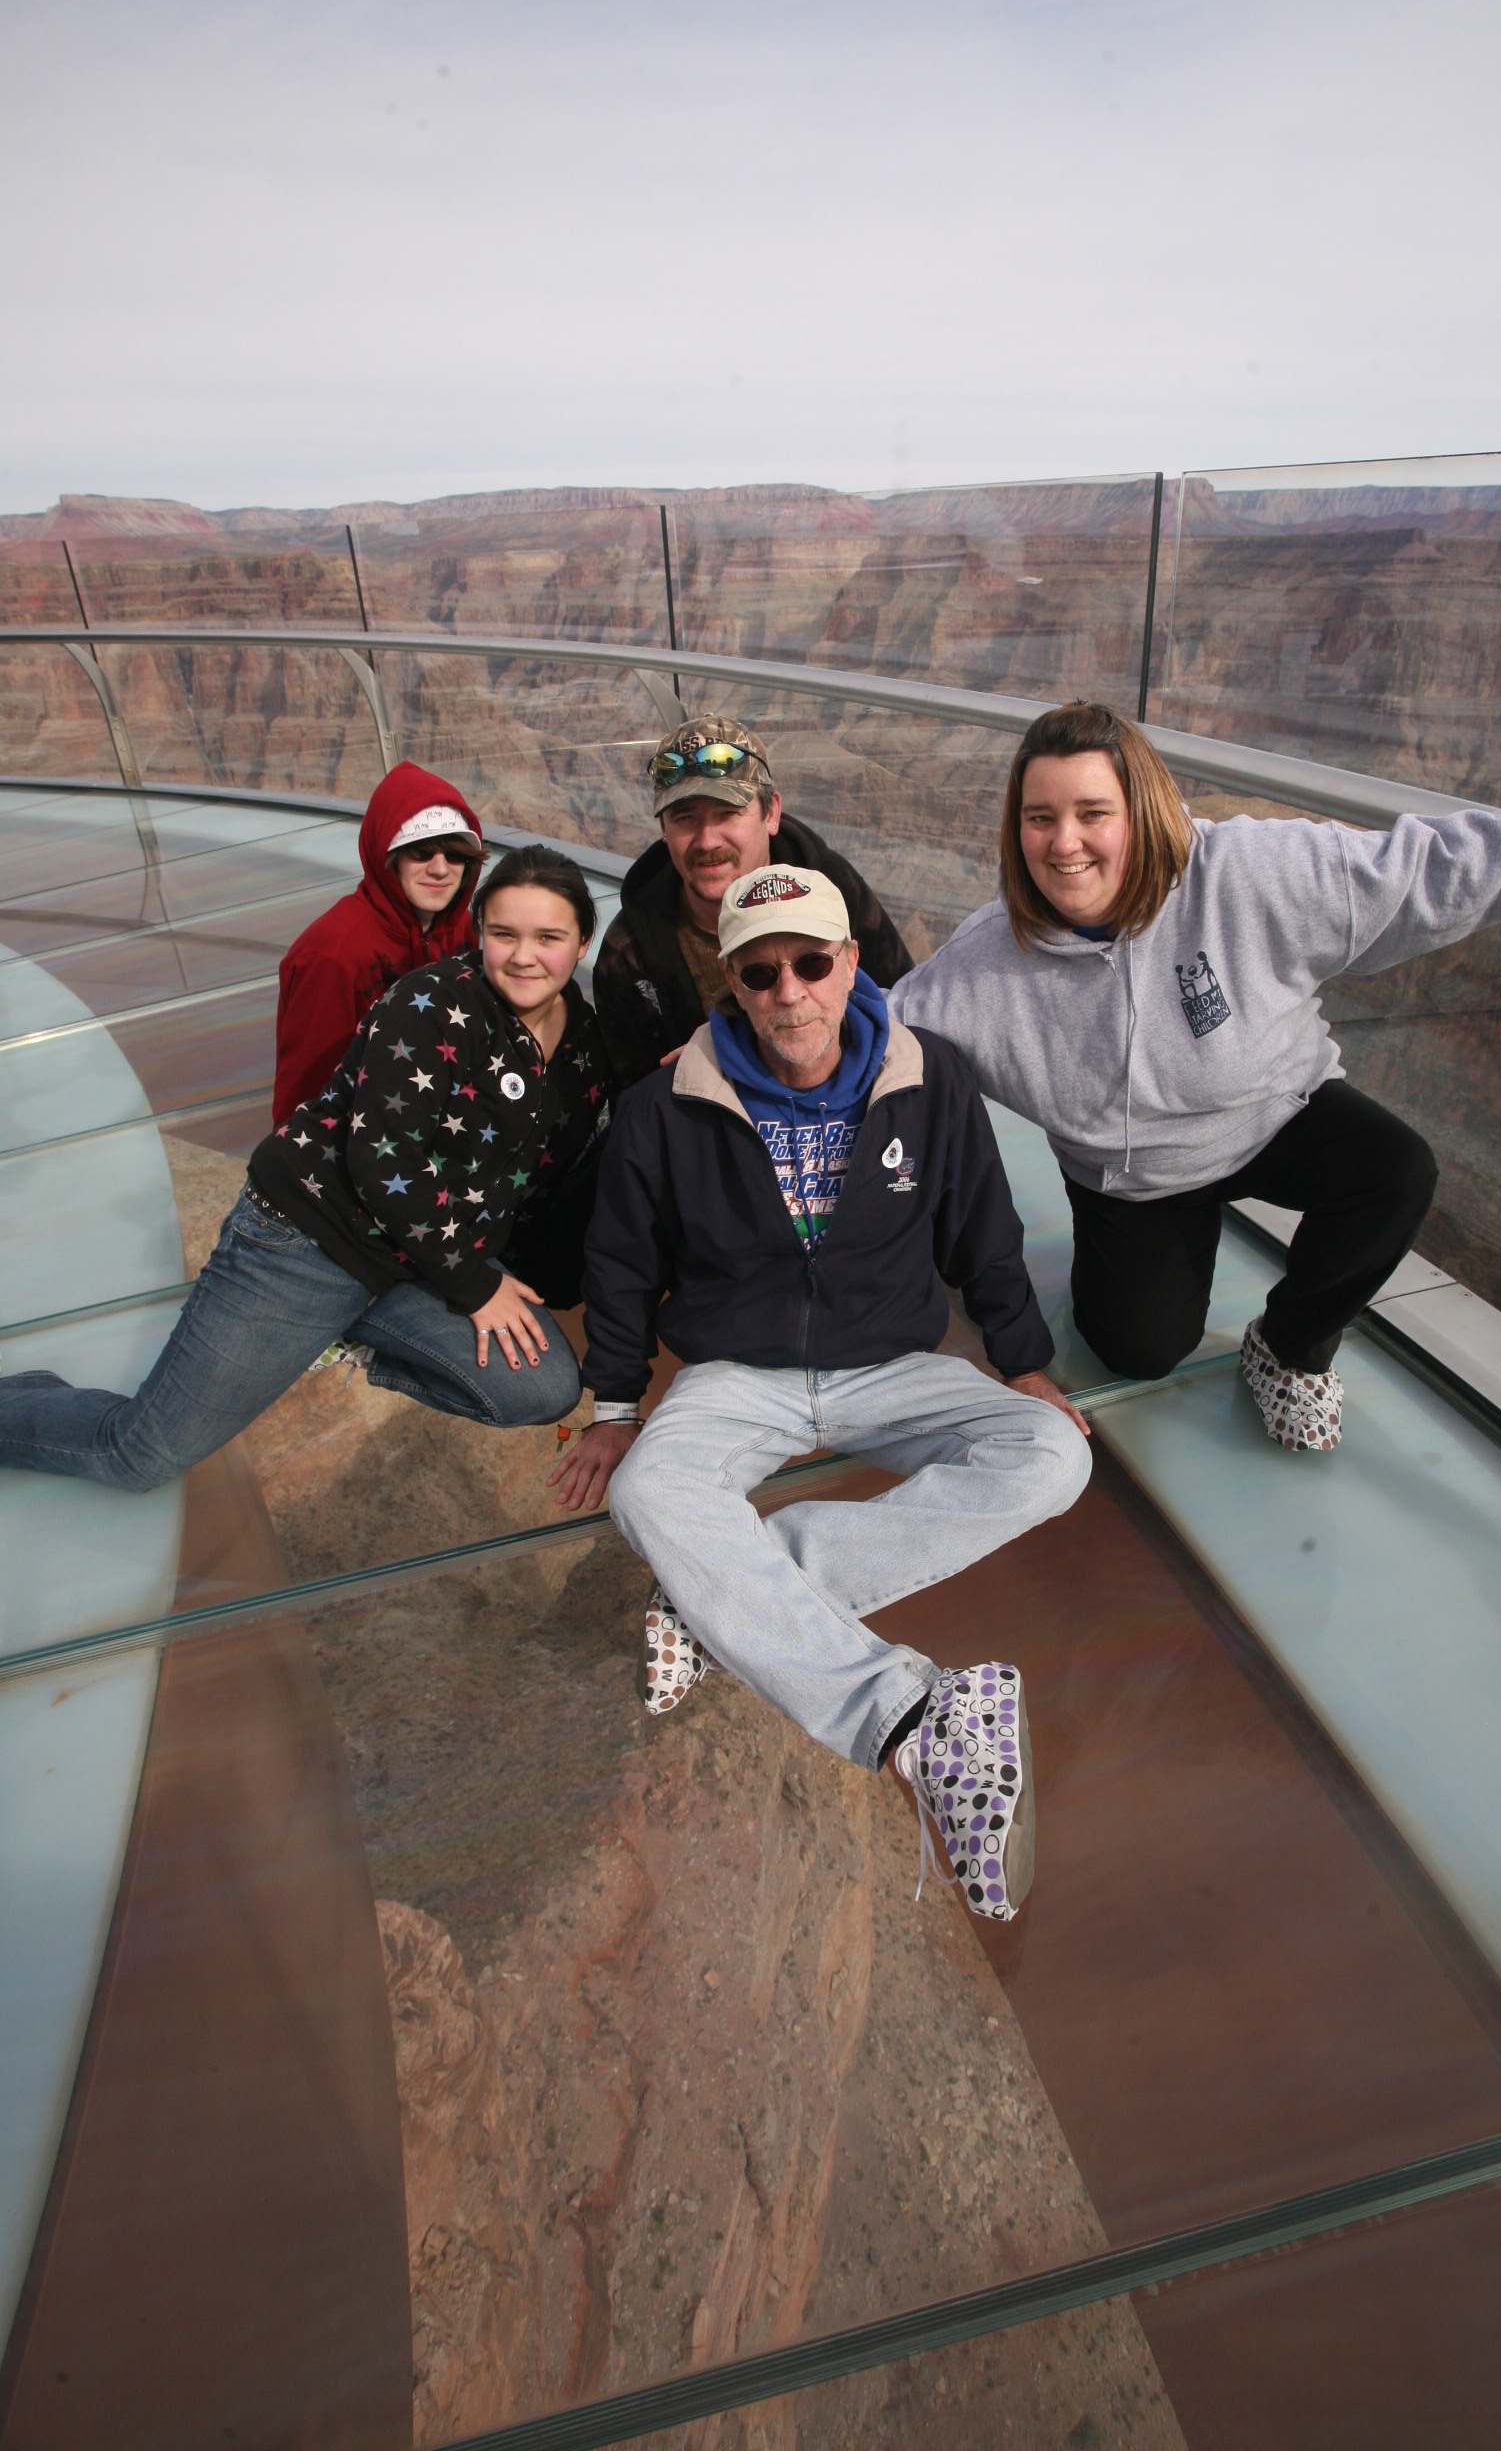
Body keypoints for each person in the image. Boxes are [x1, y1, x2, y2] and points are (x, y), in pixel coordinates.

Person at [891, 700, 1501, 1452]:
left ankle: (1290, 1346)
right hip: (1135, 1177)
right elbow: (869, 1035)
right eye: (1040, 818)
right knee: (1137, 1350)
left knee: (1396, 1170)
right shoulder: (983, 971)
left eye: (1093, 813)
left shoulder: (1247, 874)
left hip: (1275, 1112)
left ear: (1142, 812)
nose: (1065, 843)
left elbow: (1436, 868)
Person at [551, 860, 1093, 1923]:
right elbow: (620, 1264)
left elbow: (984, 1232)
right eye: (760, 973)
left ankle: (722, 1598)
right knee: (648, 1492)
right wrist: (615, 1409)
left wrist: (1024, 1363)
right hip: (735, 1374)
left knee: (1053, 1453)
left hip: (891, 1364)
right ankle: (915, 1718)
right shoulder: (663, 1107)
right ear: (733, 984)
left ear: (850, 964)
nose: (788, 991)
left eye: (809, 963)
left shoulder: (930, 1079)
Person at [0, 847, 613, 1490]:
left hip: (420, 1260)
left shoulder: (584, 1045)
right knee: (137, 1456)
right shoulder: (431, 1003)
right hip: (314, 1242)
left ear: (582, 944)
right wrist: (474, 1286)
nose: (523, 956)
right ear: (480, 932)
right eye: (503, 934)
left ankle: (346, 1332)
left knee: (542, 1389)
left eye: (549, 938)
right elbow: (384, 1155)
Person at [591, 714, 914, 1086]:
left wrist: (732, 1049)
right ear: (664, 828)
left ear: (771, 813)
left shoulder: (835, 890)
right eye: (685, 819)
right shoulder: (629, 953)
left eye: (728, 814)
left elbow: (902, 1012)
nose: (707, 840)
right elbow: (636, 1096)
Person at [273, 759, 485, 1123]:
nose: (440, 868)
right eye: (421, 851)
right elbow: (307, 1093)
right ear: (388, 856)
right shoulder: (333, 956)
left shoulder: (460, 928)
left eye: (455, 854)